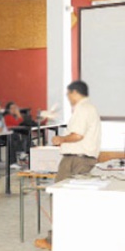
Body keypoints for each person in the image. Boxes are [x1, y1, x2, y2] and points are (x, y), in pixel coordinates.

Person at [34, 81, 101, 250]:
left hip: (75, 160)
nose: (68, 98)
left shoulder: (83, 108)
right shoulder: (90, 108)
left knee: (60, 197)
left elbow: (77, 135)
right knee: (74, 199)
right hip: (83, 159)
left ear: (75, 93)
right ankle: (69, 238)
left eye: (68, 94)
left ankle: (55, 240)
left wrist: (60, 139)